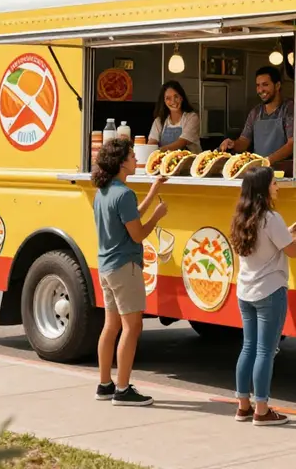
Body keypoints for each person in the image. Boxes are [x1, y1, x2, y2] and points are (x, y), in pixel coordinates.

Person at [229, 165, 296, 426]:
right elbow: (293, 250)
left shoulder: (240, 217)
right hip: (270, 291)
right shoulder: (270, 218)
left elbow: (270, 243)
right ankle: (262, 409)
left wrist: (292, 228)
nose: (277, 187)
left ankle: (243, 406)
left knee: (248, 348)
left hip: (245, 292)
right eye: (273, 184)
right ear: (262, 190)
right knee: (265, 352)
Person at [92, 137, 168, 407]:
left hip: (106, 267)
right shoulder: (123, 193)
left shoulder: (104, 191)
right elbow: (137, 234)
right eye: (133, 156)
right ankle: (123, 390)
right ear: (122, 162)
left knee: (110, 325)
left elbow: (130, 217)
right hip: (126, 267)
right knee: (132, 327)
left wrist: (151, 192)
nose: (137, 160)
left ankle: (105, 384)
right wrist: (158, 216)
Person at [220, 67, 294, 174]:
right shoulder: (255, 112)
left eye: (265, 85)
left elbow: (292, 144)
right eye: (258, 85)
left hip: (282, 173)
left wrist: (267, 160)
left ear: (277, 86)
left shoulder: (289, 108)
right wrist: (233, 144)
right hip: (260, 173)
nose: (260, 90)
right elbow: (244, 141)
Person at [148, 81, 202, 153]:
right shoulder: (159, 121)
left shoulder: (192, 117)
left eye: (176, 96)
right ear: (164, 101)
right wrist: (149, 150)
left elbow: (182, 142)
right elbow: (152, 142)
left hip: (191, 162)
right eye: (168, 98)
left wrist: (159, 151)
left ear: (181, 98)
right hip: (165, 162)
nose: (173, 101)